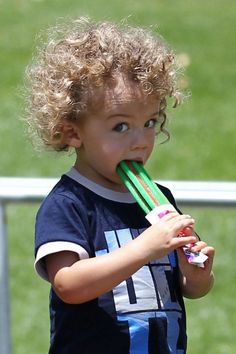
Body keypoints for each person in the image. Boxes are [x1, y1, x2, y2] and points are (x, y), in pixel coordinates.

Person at [25, 17, 215, 354]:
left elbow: (188, 289)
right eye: (121, 127)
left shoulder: (160, 200)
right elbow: (68, 284)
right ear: (73, 133)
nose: (141, 141)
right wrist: (145, 248)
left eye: (150, 122)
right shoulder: (69, 202)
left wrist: (196, 273)